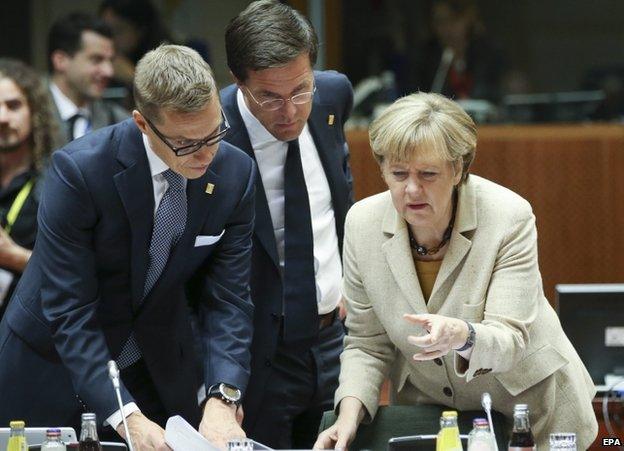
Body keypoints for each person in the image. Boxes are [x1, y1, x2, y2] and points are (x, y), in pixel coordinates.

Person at [0, 44, 255, 450]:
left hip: (153, 363)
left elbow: (229, 300)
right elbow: (71, 310)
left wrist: (223, 397)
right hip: (54, 365)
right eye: (187, 144)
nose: (207, 153)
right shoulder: (80, 171)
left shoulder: (235, 172)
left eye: (214, 132)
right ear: (142, 123)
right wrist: (125, 416)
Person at [314, 92, 598, 450]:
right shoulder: (362, 224)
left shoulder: (508, 216)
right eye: (399, 173)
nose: (411, 189)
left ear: (459, 170)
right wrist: (348, 416)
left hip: (531, 409)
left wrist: (463, 335)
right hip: (437, 413)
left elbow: (509, 339)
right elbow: (367, 343)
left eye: (428, 174)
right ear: (382, 169)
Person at [219, 1, 353, 448]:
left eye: (300, 90)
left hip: (334, 342)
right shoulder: (213, 132)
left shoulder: (333, 96)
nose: (290, 111)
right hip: (259, 357)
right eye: (270, 97)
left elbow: (337, 199)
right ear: (240, 83)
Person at [0, 58, 57, 320]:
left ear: (34, 111)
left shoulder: (58, 181)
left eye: (13, 106)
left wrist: (15, 256)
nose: (2, 118)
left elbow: (75, 273)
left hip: (30, 332)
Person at [399, 0, 505, 103]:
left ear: (468, 19)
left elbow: (495, 93)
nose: (447, 28)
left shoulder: (487, 53)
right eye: (440, 22)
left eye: (454, 19)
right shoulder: (424, 57)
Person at [48, 12, 129, 146]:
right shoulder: (25, 112)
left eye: (111, 61)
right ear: (60, 60)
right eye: (97, 59)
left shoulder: (118, 122)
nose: (109, 71)